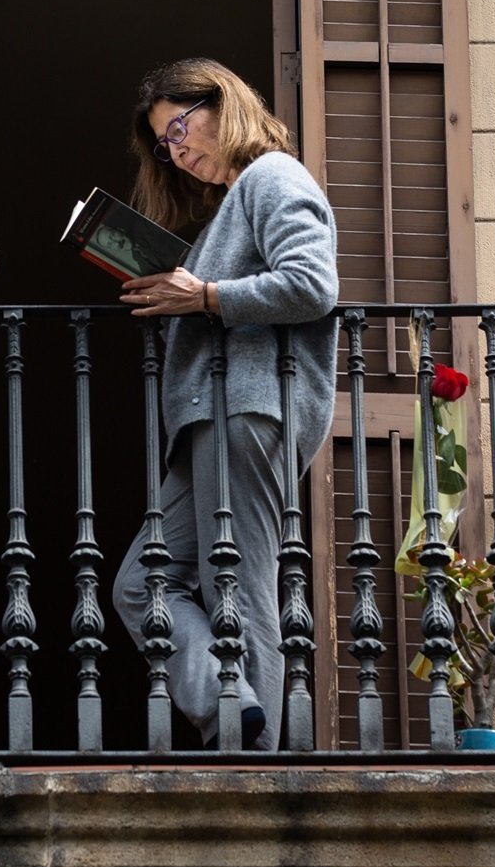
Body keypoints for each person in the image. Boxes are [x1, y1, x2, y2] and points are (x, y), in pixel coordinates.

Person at [110, 58, 339, 751]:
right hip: (211, 418)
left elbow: (312, 284)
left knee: (238, 587)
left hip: (246, 408)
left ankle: (261, 765)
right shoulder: (228, 207)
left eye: (181, 127)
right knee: (140, 584)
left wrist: (206, 297)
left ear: (223, 104)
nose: (178, 150)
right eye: (165, 143)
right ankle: (235, 709)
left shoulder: (273, 176)